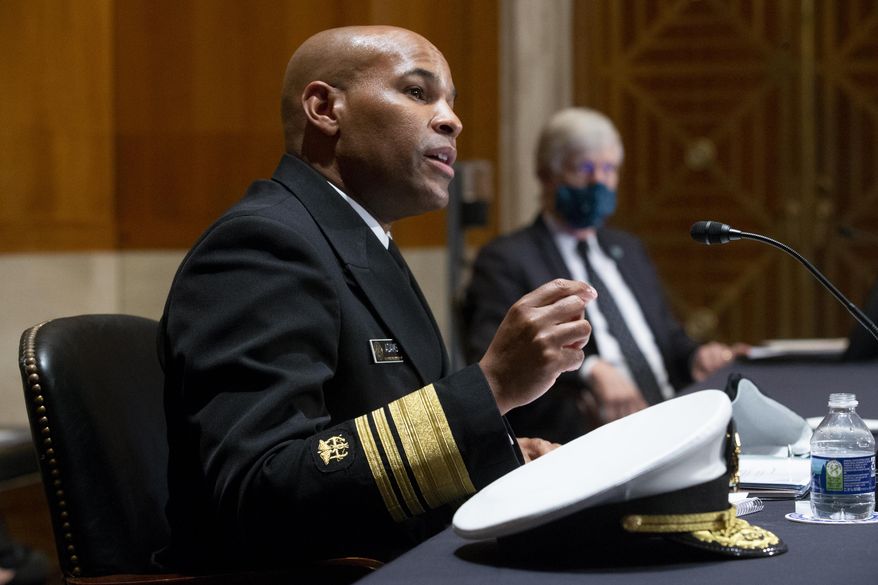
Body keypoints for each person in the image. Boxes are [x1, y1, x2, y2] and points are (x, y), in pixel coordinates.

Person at [157, 26, 596, 571]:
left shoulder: (356, 242)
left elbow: (382, 439)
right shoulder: (261, 247)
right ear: (325, 108)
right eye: (417, 92)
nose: (452, 120)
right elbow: (264, 494)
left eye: (451, 101)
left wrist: (497, 457)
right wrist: (492, 387)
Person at [463, 107, 746, 444]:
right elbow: (499, 362)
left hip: (672, 419)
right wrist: (588, 369)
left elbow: (667, 337)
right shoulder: (508, 259)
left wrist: (697, 356)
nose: (599, 181)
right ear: (547, 175)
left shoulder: (628, 249)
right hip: (591, 434)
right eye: (584, 169)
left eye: (609, 169)